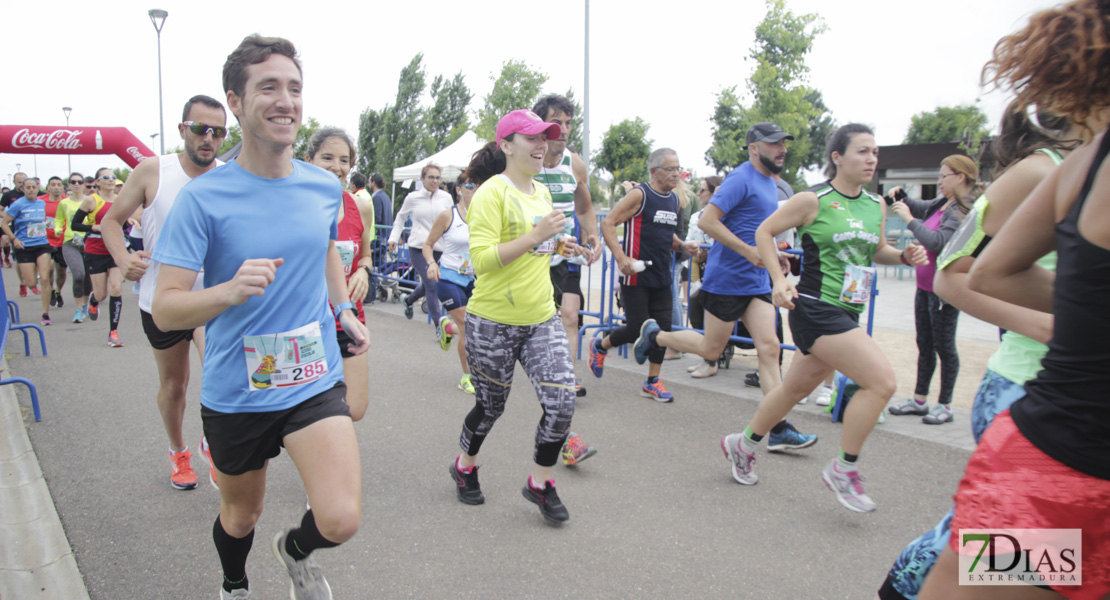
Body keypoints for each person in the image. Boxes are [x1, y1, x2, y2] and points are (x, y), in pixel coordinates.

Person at [151, 35, 368, 600]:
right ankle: (234, 582)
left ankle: (294, 552)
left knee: (341, 517)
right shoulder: (204, 197)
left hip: (310, 376)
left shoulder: (323, 186)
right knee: (241, 516)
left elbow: (321, 248)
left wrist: (341, 306)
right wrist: (227, 291)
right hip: (238, 390)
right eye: (267, 87)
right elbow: (168, 303)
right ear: (236, 102)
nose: (285, 101)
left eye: (294, 88)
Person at [877, 107, 1079, 600]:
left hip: (1078, 398)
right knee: (1025, 559)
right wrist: (1058, 323)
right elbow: (954, 269)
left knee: (1029, 556)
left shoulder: (1093, 169)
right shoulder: (1041, 170)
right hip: (1029, 388)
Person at [721, 123, 927, 513]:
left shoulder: (874, 205)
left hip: (848, 309)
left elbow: (877, 250)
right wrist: (779, 281)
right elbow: (765, 233)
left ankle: (742, 444)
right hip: (815, 308)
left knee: (791, 391)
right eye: (862, 151)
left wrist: (901, 256)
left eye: (875, 153)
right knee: (881, 382)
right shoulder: (812, 200)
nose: (871, 159)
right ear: (837, 157)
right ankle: (844, 469)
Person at [448, 109, 581, 523]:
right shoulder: (492, 192)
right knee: (491, 407)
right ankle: (464, 466)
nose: (543, 145)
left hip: (541, 317)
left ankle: (540, 483)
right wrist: (537, 236)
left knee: (561, 403)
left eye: (546, 138)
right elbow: (483, 260)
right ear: (507, 145)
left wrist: (561, 246)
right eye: (532, 138)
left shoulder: (541, 191)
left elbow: (540, 248)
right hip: (493, 322)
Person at [101, 95, 228, 491]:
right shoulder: (152, 170)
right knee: (175, 388)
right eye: (200, 129)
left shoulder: (230, 177)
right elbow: (111, 222)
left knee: (222, 377)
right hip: (163, 301)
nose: (208, 138)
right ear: (182, 129)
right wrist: (123, 260)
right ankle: (178, 451)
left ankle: (214, 441)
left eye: (218, 131)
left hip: (212, 300)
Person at [637, 124, 792, 402]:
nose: (782, 149)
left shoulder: (771, 182)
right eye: (774, 144)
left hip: (756, 282)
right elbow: (708, 220)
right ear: (754, 148)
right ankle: (656, 336)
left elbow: (760, 231)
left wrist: (773, 256)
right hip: (729, 279)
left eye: (783, 144)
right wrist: (748, 252)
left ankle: (777, 426)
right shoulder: (740, 179)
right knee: (711, 350)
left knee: (770, 349)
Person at [587, 148, 699, 402]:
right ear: (653, 171)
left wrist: (682, 246)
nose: (676, 174)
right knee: (638, 328)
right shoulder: (640, 195)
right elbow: (607, 223)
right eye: (670, 169)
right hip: (635, 274)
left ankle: (652, 382)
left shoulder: (674, 200)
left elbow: (664, 233)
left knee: (664, 329)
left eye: (677, 169)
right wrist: (621, 258)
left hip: (662, 274)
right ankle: (599, 346)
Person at [885, 156, 978, 424]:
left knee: (944, 347)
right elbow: (916, 205)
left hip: (944, 292)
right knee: (924, 344)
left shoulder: (962, 210)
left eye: (943, 176)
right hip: (924, 287)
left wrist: (910, 220)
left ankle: (945, 405)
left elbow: (937, 241)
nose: (939, 182)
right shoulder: (943, 202)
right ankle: (919, 400)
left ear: (960, 177)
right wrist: (900, 197)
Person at [532, 94, 603, 398]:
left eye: (568, 123)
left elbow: (585, 208)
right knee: (536, 321)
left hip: (567, 252)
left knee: (570, 315)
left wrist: (592, 234)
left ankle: (568, 378)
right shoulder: (527, 162)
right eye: (556, 122)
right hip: (532, 255)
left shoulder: (574, 163)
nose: (563, 129)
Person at [304, 127, 374, 423]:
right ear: (309, 159)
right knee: (310, 409)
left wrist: (363, 270)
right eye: (327, 158)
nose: (337, 167)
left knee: (354, 408)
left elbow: (367, 253)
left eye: (344, 160)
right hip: (306, 318)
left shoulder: (359, 206)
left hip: (348, 316)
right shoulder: (298, 203)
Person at [424, 173, 477, 394]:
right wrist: (431, 263)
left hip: (472, 279)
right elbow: (428, 244)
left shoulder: (484, 216)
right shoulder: (449, 216)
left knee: (478, 326)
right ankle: (467, 376)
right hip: (447, 278)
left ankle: (447, 327)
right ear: (459, 190)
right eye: (470, 185)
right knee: (468, 325)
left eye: (478, 186)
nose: (474, 190)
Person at [388, 163, 451, 328]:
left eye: (438, 178)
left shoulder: (446, 197)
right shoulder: (412, 197)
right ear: (422, 179)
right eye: (431, 177)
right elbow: (401, 218)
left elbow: (452, 220)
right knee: (432, 284)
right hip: (418, 248)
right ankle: (440, 326)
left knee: (428, 283)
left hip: (439, 249)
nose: (435, 181)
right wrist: (394, 238)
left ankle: (408, 300)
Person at [72, 168, 123, 347]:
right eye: (106, 177)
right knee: (102, 294)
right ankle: (94, 300)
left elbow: (121, 221)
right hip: (95, 251)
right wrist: (93, 227)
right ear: (97, 182)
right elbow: (75, 224)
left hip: (115, 250)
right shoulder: (91, 200)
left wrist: (131, 221)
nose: (111, 180)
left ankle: (113, 332)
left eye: (114, 177)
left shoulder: (120, 200)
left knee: (116, 289)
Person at [1, 177, 54, 325]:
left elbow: (47, 220)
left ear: (38, 188)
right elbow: (4, 223)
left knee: (45, 278)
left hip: (42, 244)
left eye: (34, 187)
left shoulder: (42, 203)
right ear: (23, 189)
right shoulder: (17, 205)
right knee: (31, 283)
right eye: (28, 187)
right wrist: (14, 239)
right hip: (24, 246)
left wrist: (53, 229)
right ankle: (28, 283)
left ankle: (45, 314)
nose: (31, 190)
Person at [685, 175, 722, 378]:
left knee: (716, 318)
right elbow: (694, 244)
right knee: (697, 312)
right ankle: (706, 358)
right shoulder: (696, 216)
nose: (698, 194)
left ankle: (713, 359)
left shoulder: (726, 214)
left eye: (702, 190)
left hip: (720, 273)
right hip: (702, 271)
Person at [56, 172, 92, 322]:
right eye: (73, 182)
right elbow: (58, 220)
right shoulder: (64, 203)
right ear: (69, 184)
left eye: (79, 181)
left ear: (83, 184)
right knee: (78, 274)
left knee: (88, 277)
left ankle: (85, 305)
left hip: (88, 242)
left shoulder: (91, 201)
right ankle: (78, 310)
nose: (76, 184)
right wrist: (58, 229)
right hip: (70, 242)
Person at [42, 176, 67, 309]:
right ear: (48, 187)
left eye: (59, 184)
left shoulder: (67, 201)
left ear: (62, 187)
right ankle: (50, 290)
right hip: (46, 240)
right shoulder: (41, 201)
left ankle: (58, 291)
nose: (56, 187)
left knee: (61, 271)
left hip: (63, 240)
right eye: (53, 185)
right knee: (50, 268)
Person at [1, 172, 27, 269]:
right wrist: (10, 216)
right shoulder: (8, 195)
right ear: (14, 182)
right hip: (16, 229)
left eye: (23, 182)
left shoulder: (35, 193)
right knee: (20, 258)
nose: (22, 184)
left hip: (33, 230)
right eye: (19, 182)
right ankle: (23, 281)